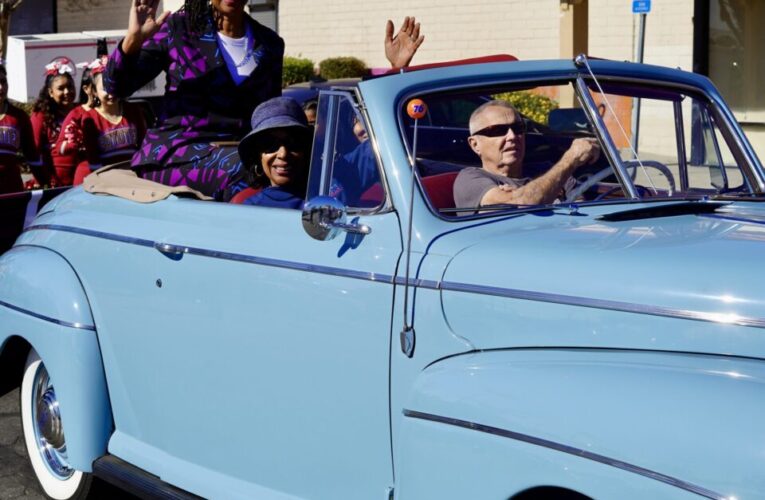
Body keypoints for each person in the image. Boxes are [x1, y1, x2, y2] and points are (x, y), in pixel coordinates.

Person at [105, 0, 424, 200]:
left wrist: (398, 71)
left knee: (325, 168)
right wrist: (133, 40)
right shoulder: (178, 28)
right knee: (249, 171)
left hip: (246, 151)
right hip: (176, 153)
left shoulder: (270, 43)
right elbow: (115, 86)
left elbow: (272, 117)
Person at [453, 100, 601, 211]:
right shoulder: (470, 179)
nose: (512, 136)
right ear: (475, 145)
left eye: (518, 128)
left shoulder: (546, 170)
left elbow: (580, 207)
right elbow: (522, 203)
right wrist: (570, 159)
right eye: (498, 130)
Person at [66, 57, 147, 185]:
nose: (111, 92)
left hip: (133, 180)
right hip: (105, 183)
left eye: (115, 85)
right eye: (105, 88)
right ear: (94, 91)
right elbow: (93, 160)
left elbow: (144, 147)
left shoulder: (133, 110)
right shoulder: (89, 118)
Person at [237, 97, 311, 208]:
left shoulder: (327, 202)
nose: (283, 154)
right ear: (258, 156)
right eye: (269, 144)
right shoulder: (249, 209)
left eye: (293, 143)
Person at [30, 58, 78, 187]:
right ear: (51, 92)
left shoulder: (81, 112)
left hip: (80, 181)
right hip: (53, 185)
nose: (67, 92)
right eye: (61, 88)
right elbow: (34, 151)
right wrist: (42, 181)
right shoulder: (40, 116)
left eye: (70, 86)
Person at [56, 62, 98, 185]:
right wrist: (72, 142)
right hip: (86, 177)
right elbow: (59, 148)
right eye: (98, 86)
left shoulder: (118, 112)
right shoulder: (76, 114)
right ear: (86, 89)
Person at [0, 65, 39, 194]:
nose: (1, 88)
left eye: (3, 82)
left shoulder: (19, 116)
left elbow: (32, 155)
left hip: (11, 187)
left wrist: (45, 183)